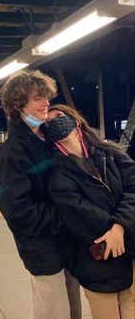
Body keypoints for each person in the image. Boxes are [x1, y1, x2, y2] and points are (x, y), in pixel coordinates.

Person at [0, 70, 82, 319]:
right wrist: (67, 218)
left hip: (67, 244)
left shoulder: (47, 141)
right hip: (42, 249)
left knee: (72, 309)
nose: (46, 104)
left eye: (46, 97)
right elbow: (18, 211)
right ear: (16, 105)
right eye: (37, 98)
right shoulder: (11, 153)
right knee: (53, 311)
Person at [45, 104, 135, 319]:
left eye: (58, 116)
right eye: (48, 123)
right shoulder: (57, 175)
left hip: (130, 250)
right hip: (97, 262)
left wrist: (120, 227)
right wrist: (115, 229)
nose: (54, 122)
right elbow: (81, 215)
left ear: (74, 120)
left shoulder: (110, 153)